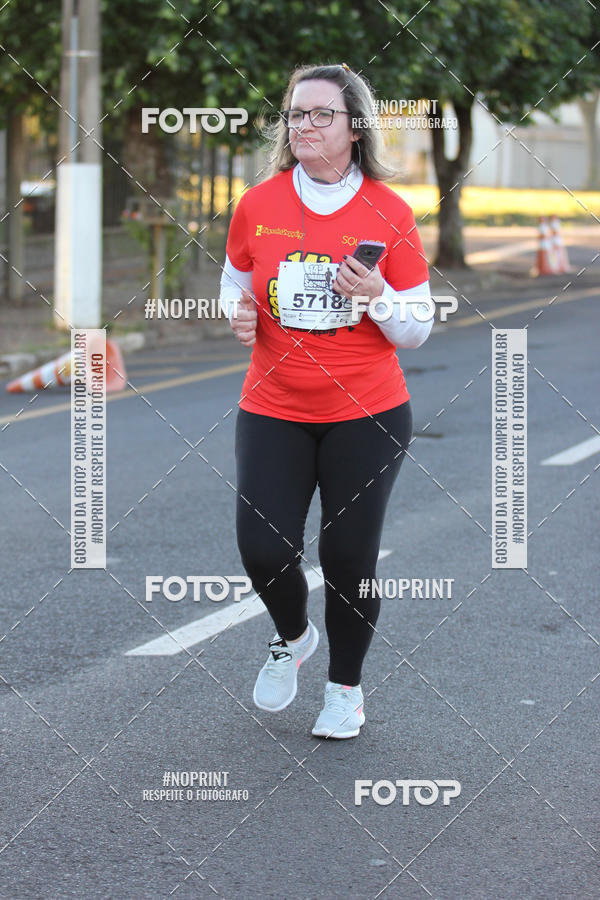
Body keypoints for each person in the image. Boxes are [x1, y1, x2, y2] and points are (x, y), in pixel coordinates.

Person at [219, 63, 433, 739]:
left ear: (354, 127)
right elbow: (234, 282)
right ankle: (292, 635)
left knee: (347, 558)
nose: (305, 125)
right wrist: (237, 314)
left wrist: (378, 299)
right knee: (262, 546)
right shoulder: (259, 204)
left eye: (321, 114)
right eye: (295, 114)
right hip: (274, 403)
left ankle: (345, 690)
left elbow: (418, 327)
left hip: (367, 411)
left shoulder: (388, 213)